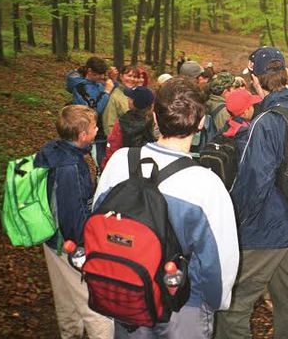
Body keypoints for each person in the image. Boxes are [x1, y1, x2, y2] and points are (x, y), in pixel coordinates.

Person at [94, 77, 239, 338]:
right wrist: (214, 303)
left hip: (128, 294)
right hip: (184, 305)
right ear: (202, 121)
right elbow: (219, 266)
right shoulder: (207, 185)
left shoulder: (119, 162)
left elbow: (97, 223)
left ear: (155, 119)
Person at [215, 47, 288, 339]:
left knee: (232, 308)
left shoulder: (264, 123)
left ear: (255, 78)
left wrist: (234, 224)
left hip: (265, 231)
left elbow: (254, 184)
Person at [34, 105, 114, 339]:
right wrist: (87, 244)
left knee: (66, 299)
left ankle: (70, 334)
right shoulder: (70, 166)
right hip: (68, 244)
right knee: (93, 304)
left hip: (50, 238)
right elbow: (72, 216)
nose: (97, 128)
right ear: (82, 136)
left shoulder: (52, 150)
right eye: (93, 127)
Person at [66, 57, 114, 167]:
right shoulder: (81, 87)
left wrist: (112, 80)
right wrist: (106, 92)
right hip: (92, 134)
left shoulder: (95, 83)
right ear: (90, 72)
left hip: (100, 133)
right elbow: (92, 111)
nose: (102, 77)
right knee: (101, 164)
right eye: (99, 74)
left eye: (103, 74)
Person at [101, 86, 156, 169]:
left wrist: (106, 166)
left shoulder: (121, 122)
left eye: (130, 98)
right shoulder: (154, 121)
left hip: (123, 167)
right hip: (146, 167)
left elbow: (113, 147)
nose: (128, 100)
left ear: (134, 102)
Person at [102, 65, 140, 139]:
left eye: (135, 77)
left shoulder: (139, 95)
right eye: (129, 76)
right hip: (122, 142)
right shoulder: (115, 96)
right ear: (121, 76)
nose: (132, 79)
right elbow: (109, 124)